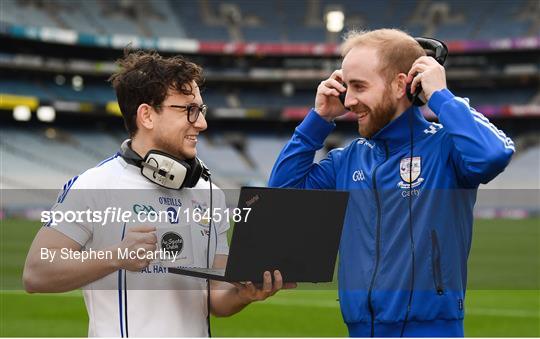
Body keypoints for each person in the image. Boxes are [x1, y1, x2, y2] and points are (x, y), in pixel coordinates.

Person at [23, 50, 294, 337]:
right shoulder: (96, 185)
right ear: (147, 115)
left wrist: (245, 294)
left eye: (200, 110)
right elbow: (36, 273)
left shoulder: (208, 193)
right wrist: (116, 257)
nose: (201, 123)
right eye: (188, 110)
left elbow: (216, 294)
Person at [268, 29, 514, 337]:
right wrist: (317, 120)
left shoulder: (445, 148)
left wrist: (440, 96)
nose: (348, 100)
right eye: (346, 86)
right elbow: (279, 204)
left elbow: (493, 154)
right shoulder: (347, 160)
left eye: (359, 86)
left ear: (401, 85)